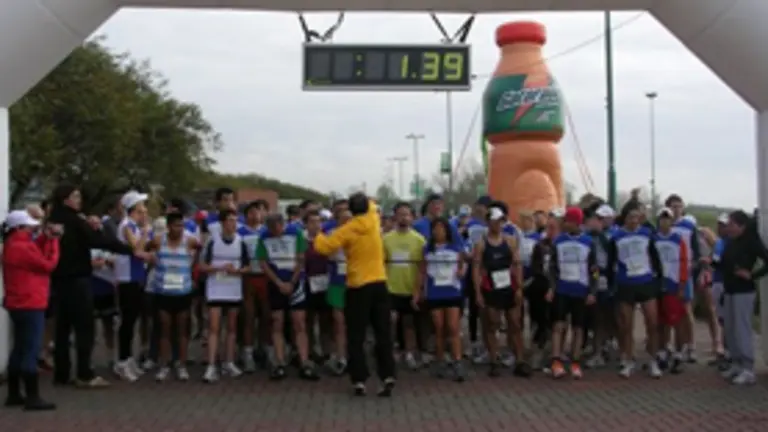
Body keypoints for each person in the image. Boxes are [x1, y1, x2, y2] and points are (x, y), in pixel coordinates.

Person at [47, 183, 140, 388]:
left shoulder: (53, 221)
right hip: (78, 278)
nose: (79, 200)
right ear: (66, 199)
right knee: (84, 327)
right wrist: (128, 250)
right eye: (75, 196)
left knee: (62, 328)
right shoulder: (76, 221)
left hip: (59, 279)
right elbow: (99, 241)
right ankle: (84, 373)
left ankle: (62, 373)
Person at [314, 193, 396, 397]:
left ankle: (359, 379)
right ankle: (387, 375)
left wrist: (318, 232)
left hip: (358, 286)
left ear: (351, 211)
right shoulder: (374, 219)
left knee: (356, 335)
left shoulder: (347, 229)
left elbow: (323, 247)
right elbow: (372, 203)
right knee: (382, 332)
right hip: (379, 282)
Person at [3, 210, 60, 411]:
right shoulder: (22, 247)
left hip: (17, 302)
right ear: (19, 228)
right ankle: (32, 396)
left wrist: (45, 237)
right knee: (30, 349)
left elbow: (34, 250)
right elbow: (48, 264)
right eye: (28, 226)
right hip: (31, 302)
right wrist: (53, 241)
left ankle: (14, 393)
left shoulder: (13, 244)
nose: (32, 228)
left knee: (19, 347)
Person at [257, 213, 318, 380]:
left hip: (295, 282)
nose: (275, 232)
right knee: (277, 321)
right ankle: (279, 362)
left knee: (299, 322)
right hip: (275, 283)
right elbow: (263, 263)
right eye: (272, 229)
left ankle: (304, 361)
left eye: (277, 228)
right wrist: (278, 282)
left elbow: (301, 260)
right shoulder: (264, 236)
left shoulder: (295, 233)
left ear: (282, 224)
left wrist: (291, 282)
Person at [472, 203, 530, 378]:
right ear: (488, 222)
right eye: (494, 221)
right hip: (491, 287)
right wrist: (478, 292)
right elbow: (476, 269)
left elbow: (517, 265)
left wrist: (519, 288)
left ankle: (520, 360)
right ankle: (494, 360)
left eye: (500, 221)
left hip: (509, 286)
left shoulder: (510, 241)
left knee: (515, 323)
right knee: (492, 323)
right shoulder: (481, 244)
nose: (498, 224)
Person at [607, 203, 663, 379]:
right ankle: (628, 359)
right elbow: (610, 263)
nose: (634, 220)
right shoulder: (616, 237)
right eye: (631, 217)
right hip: (625, 283)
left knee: (652, 322)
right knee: (626, 325)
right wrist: (612, 284)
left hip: (645, 281)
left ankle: (652, 359)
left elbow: (655, 258)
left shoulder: (647, 234)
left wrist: (658, 280)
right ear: (625, 218)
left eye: (637, 217)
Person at [146, 212, 199, 382]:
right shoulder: (158, 241)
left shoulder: (190, 241)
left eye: (182, 225)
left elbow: (202, 249)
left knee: (182, 330)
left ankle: (181, 365)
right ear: (168, 227)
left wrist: (192, 269)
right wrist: (151, 260)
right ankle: (164, 365)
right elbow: (143, 249)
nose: (180, 229)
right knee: (165, 329)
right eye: (176, 225)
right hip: (163, 291)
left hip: (183, 292)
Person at [718, 210, 768, 385]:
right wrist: (710, 263)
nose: (729, 228)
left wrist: (752, 275)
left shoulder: (752, 242)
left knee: (742, 328)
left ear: (742, 226)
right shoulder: (731, 242)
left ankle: (748, 368)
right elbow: (724, 264)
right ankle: (736, 363)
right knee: (730, 328)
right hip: (729, 289)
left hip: (744, 291)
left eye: (732, 224)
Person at [199, 209, 249, 383]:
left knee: (232, 328)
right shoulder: (212, 241)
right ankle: (211, 365)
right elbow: (202, 265)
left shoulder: (241, 242)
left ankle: (229, 362)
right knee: (214, 328)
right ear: (222, 223)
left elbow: (247, 267)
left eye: (235, 220)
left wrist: (238, 271)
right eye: (229, 220)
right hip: (215, 289)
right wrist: (218, 268)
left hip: (233, 289)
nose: (233, 224)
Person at [547, 207, 597, 379]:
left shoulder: (588, 242)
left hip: (581, 290)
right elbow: (552, 267)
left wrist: (592, 291)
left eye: (567, 220)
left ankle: (575, 362)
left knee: (578, 327)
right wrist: (552, 287)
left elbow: (594, 269)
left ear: (576, 222)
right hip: (562, 288)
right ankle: (556, 361)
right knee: (558, 325)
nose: (564, 223)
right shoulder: (558, 241)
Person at [416, 217, 467, 381]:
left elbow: (463, 265)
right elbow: (422, 271)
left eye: (441, 228)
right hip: (435, 292)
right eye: (435, 228)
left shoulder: (456, 247)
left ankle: (457, 361)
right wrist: (418, 291)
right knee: (439, 328)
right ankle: (440, 361)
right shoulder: (427, 249)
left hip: (452, 291)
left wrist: (462, 271)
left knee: (453, 327)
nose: (438, 231)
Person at [113, 191, 152, 382]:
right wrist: (145, 232)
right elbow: (137, 249)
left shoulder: (134, 226)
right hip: (127, 277)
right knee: (127, 320)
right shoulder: (127, 225)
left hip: (136, 276)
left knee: (134, 318)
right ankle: (122, 361)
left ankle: (128, 358)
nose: (145, 211)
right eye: (141, 207)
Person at [382, 202, 425, 370]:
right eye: (401, 214)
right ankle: (391, 352)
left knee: (409, 324)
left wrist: (418, 290)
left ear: (412, 217)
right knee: (390, 321)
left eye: (407, 214)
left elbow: (422, 268)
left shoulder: (419, 240)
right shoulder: (386, 239)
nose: (404, 218)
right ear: (395, 216)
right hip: (391, 288)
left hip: (410, 288)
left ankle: (409, 353)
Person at [666, 194, 702, 362]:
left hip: (685, 273)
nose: (676, 209)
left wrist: (693, 266)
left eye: (679, 206)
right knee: (670, 309)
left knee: (686, 310)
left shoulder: (689, 227)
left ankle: (691, 345)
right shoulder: (664, 226)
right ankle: (670, 344)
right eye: (673, 206)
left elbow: (696, 250)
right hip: (668, 274)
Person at [653, 207, 689, 374]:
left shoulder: (678, 240)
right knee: (660, 321)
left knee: (676, 320)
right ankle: (662, 350)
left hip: (673, 284)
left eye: (667, 218)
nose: (665, 221)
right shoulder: (653, 239)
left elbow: (683, 263)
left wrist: (682, 284)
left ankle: (679, 352)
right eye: (662, 218)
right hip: (657, 284)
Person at [237, 199, 268, 372]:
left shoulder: (267, 231)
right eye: (251, 212)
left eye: (258, 211)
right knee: (248, 317)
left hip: (265, 277)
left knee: (266, 315)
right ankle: (247, 352)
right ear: (246, 215)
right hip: (248, 278)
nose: (255, 215)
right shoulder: (240, 233)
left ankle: (263, 349)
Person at [322, 200, 350, 375]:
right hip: (337, 282)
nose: (346, 220)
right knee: (338, 321)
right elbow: (328, 254)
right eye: (342, 217)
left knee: (355, 322)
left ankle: (353, 355)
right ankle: (340, 357)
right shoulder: (331, 234)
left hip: (356, 281)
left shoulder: (362, 234)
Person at [528, 215, 559, 370]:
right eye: (548, 228)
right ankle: (538, 351)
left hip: (559, 288)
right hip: (541, 288)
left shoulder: (561, 245)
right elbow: (535, 268)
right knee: (541, 320)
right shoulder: (539, 246)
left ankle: (554, 353)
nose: (550, 231)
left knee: (556, 323)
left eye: (553, 228)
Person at [87, 216, 117, 370]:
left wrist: (111, 262)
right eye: (92, 224)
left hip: (107, 289)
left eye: (97, 224)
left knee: (109, 325)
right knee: (89, 328)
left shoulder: (107, 243)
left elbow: (117, 261)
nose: (95, 226)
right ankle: (89, 360)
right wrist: (92, 264)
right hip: (89, 290)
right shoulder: (82, 243)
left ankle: (111, 358)